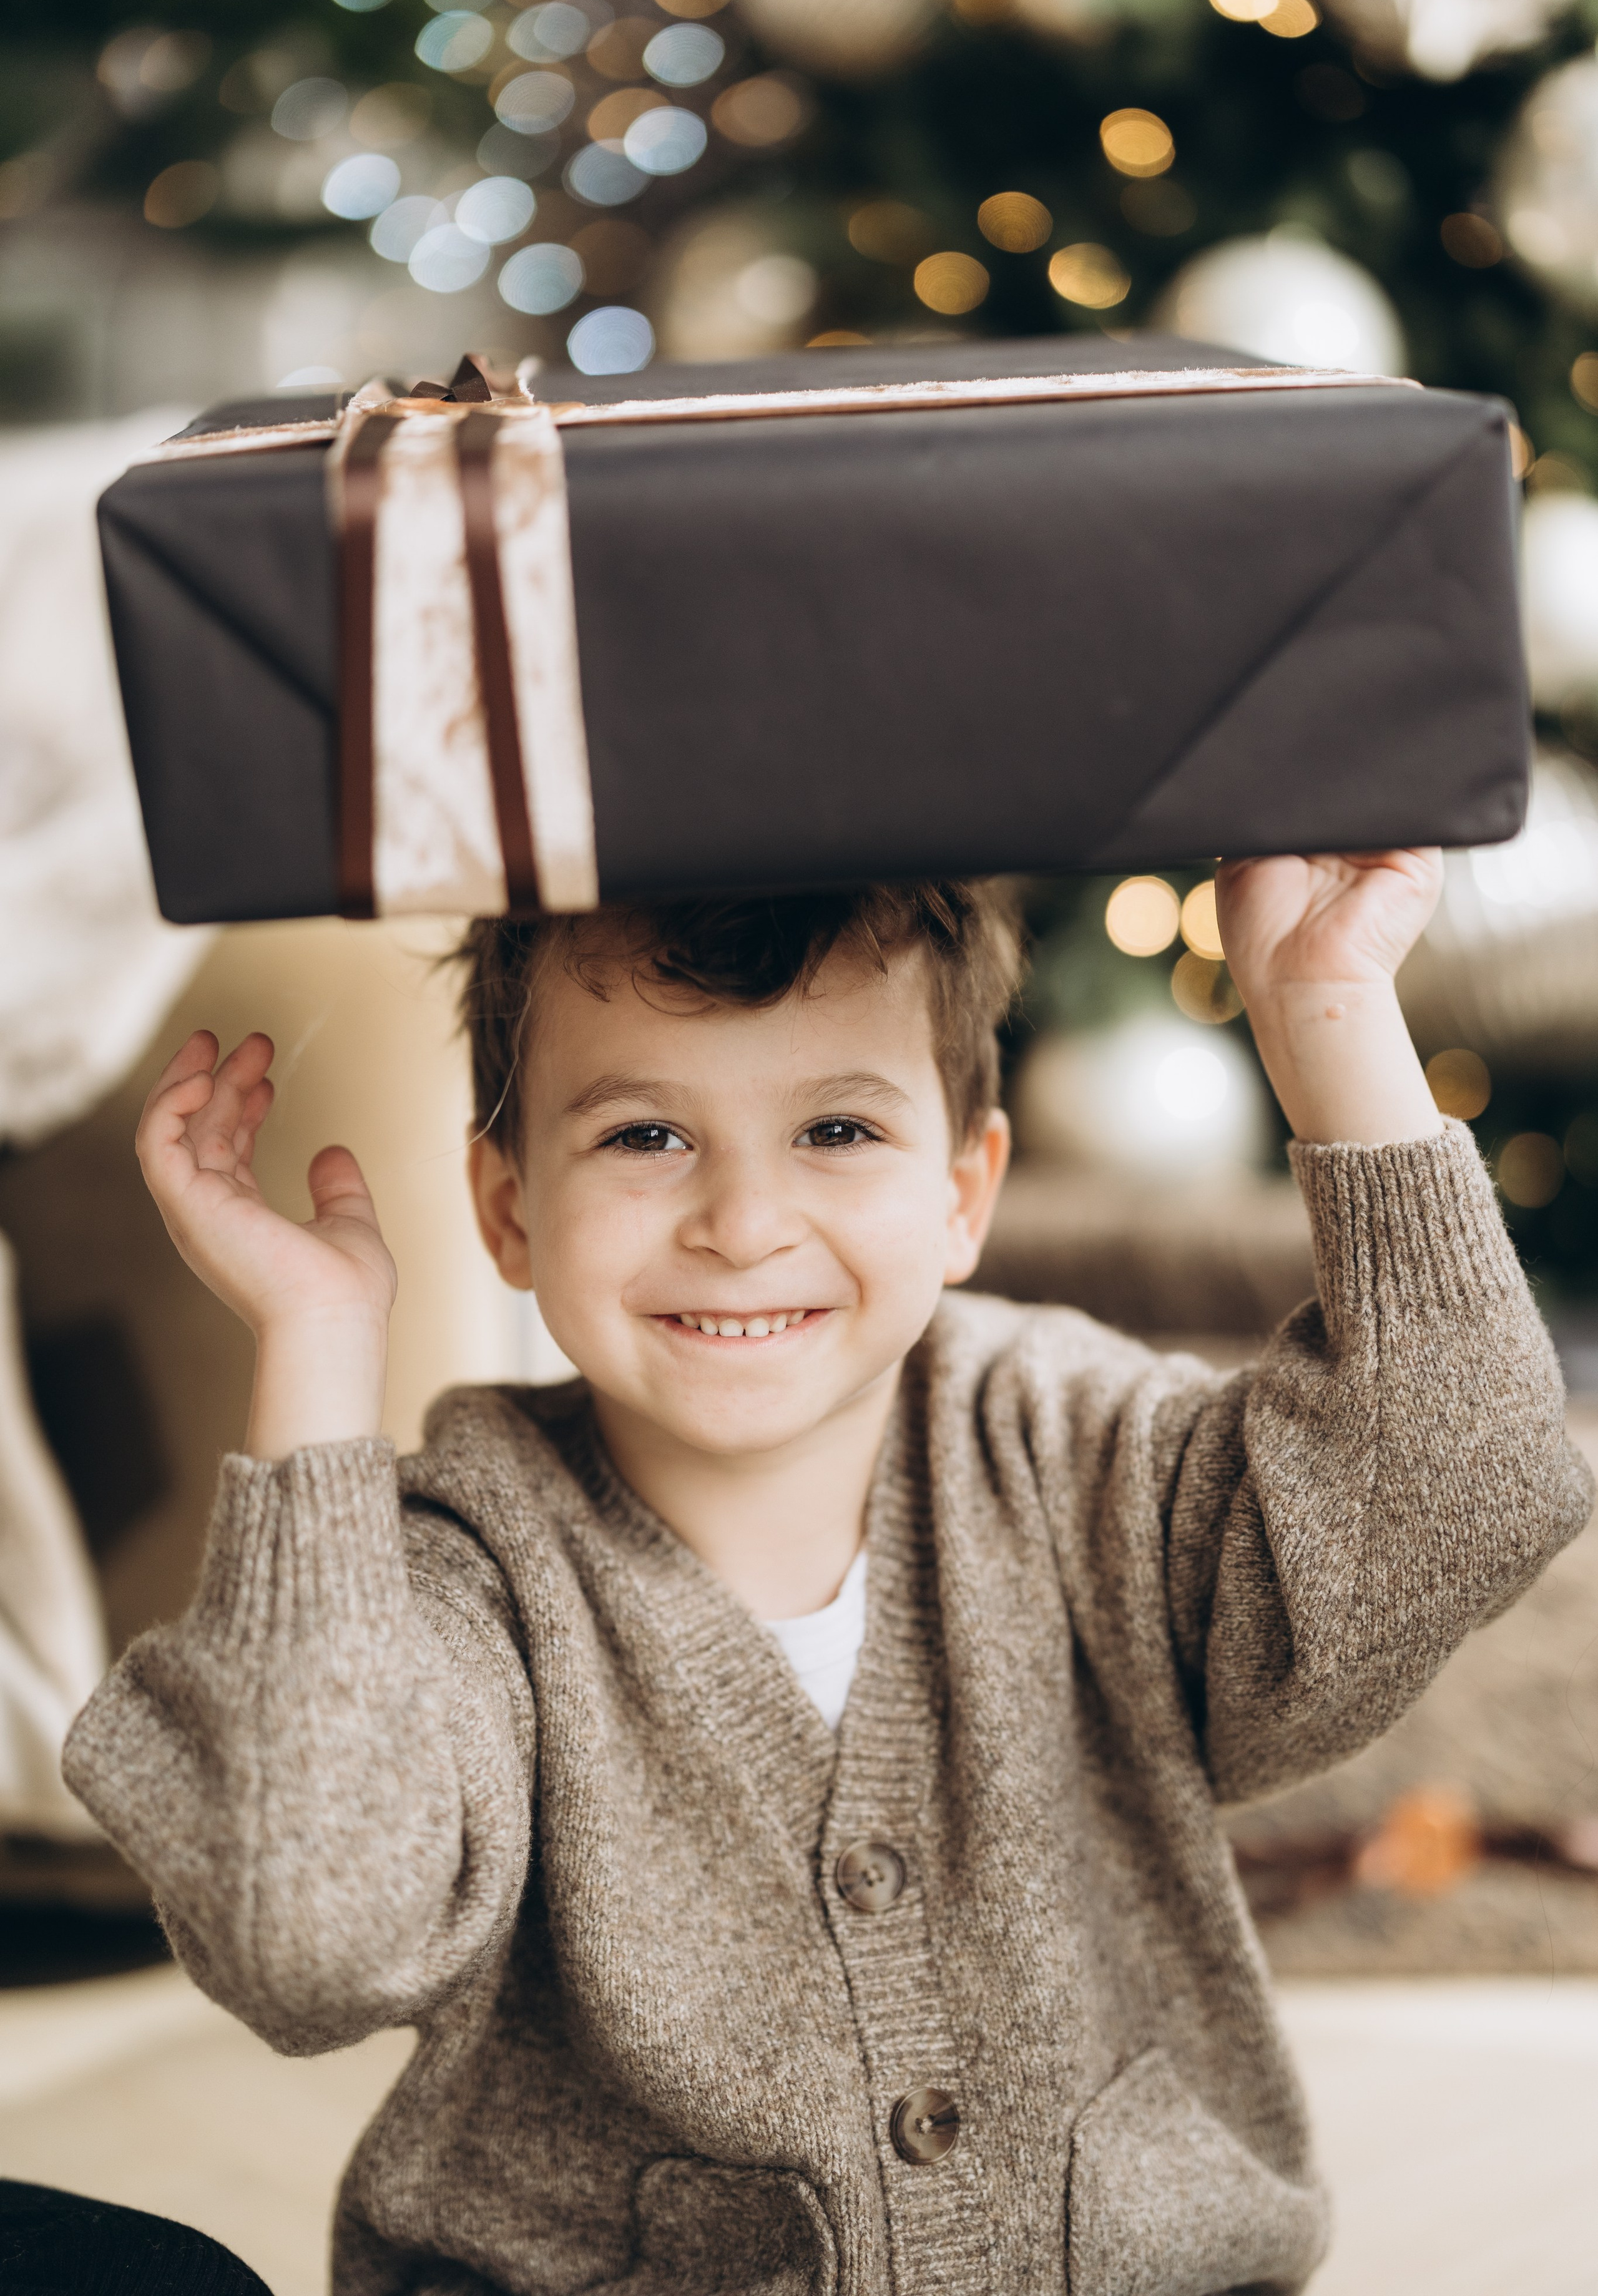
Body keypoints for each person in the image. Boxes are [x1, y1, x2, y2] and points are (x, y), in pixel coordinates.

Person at [66, 859, 1589, 2296]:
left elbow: (1466, 1485)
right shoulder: (460, 1575)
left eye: (837, 1132)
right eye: (643, 1135)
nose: (740, 1224)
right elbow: (306, 1936)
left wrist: (1329, 1017)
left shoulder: (1069, 1446)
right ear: (508, 1206)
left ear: (964, 1191)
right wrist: (319, 1352)